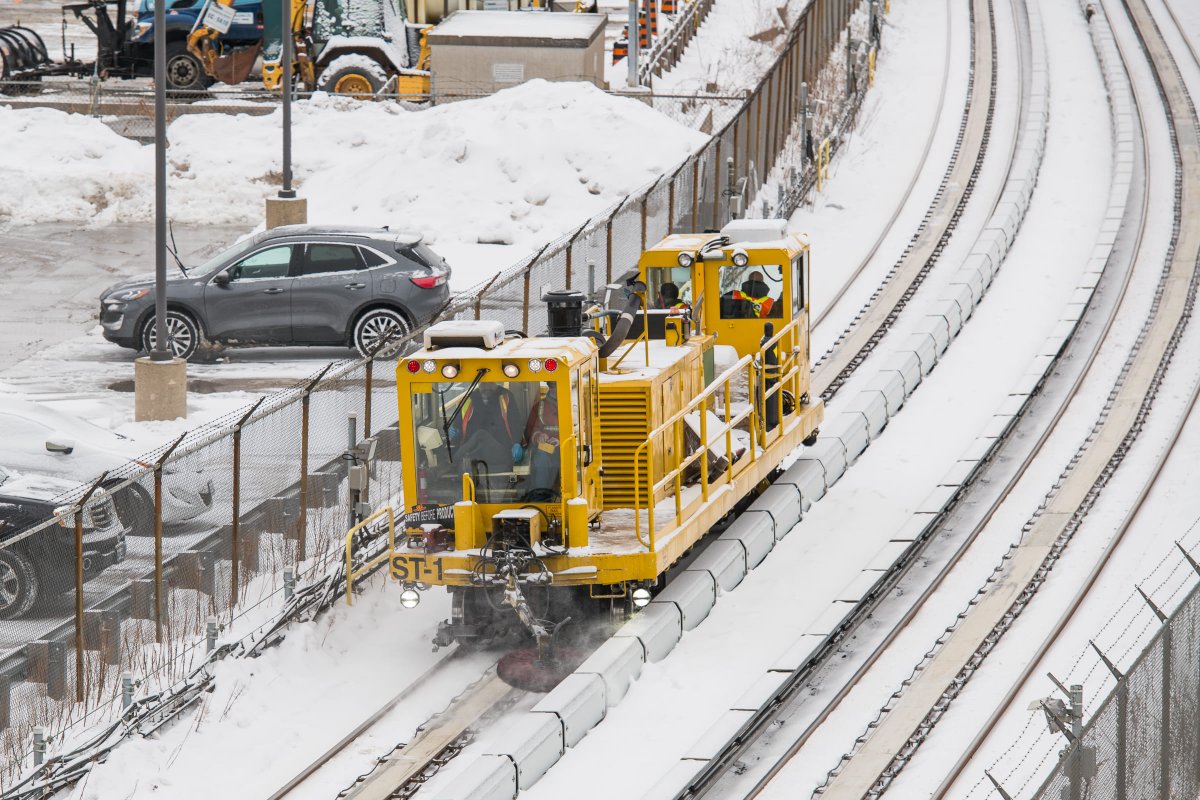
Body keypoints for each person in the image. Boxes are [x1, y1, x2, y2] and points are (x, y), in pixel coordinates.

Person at [520, 383, 561, 500]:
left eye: (556, 386)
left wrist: (559, 439)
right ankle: (541, 495)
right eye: (552, 386)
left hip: (565, 447)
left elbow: (579, 427)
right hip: (544, 448)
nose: (554, 389)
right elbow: (530, 428)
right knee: (540, 460)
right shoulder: (539, 406)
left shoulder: (572, 404)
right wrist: (538, 435)